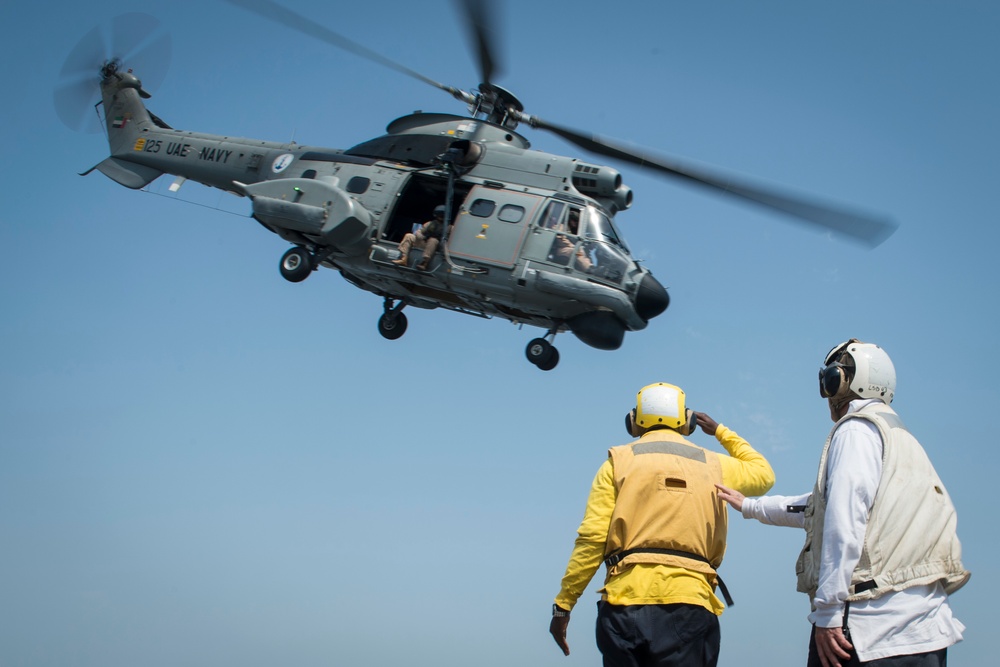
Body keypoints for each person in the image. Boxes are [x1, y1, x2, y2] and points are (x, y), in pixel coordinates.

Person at [716, 339, 969, 667]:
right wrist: (751, 506)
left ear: (845, 381)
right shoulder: (901, 439)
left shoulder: (855, 432)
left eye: (829, 378)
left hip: (869, 632)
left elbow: (843, 519)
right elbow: (823, 505)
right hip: (927, 635)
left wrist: (829, 612)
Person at [550, 382, 775, 667]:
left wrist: (564, 605)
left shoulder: (617, 463)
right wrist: (720, 431)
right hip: (690, 606)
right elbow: (764, 475)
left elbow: (592, 539)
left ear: (634, 421)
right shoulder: (716, 465)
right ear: (688, 421)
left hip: (624, 606)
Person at [393, 205, 446, 270]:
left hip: (434, 247)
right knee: (409, 236)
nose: (440, 218)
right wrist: (422, 236)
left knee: (433, 240)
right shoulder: (430, 223)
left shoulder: (448, 228)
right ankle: (404, 258)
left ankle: (424, 263)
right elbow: (419, 232)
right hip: (423, 242)